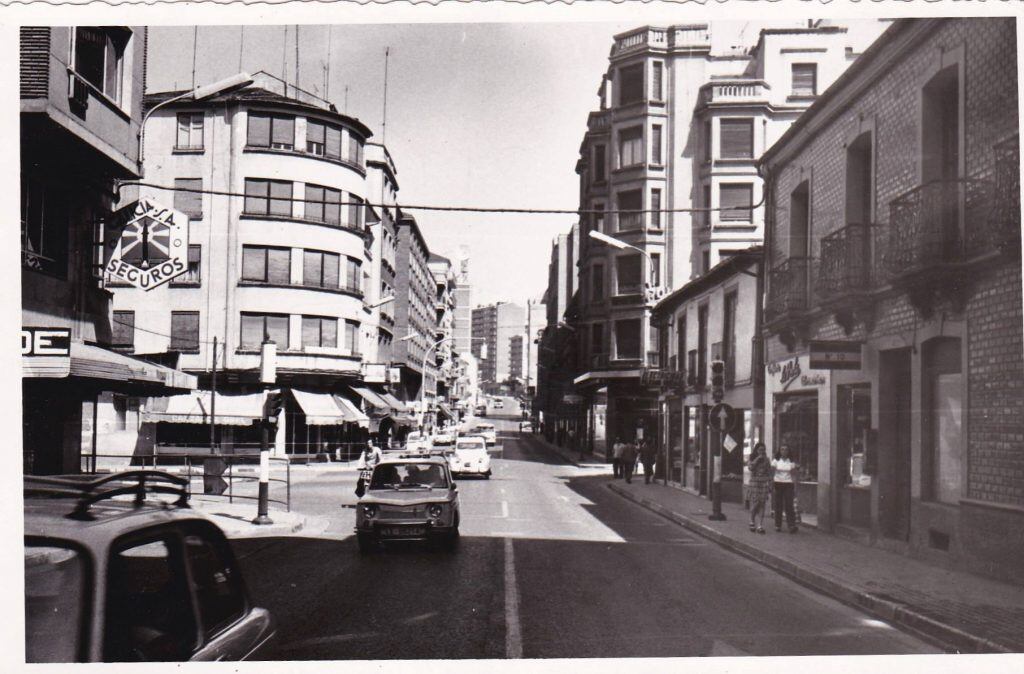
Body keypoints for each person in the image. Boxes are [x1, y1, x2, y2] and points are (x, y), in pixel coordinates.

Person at [771, 444, 799, 533]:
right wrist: (771, 485)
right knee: (778, 505)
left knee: (789, 505)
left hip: (788, 484)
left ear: (788, 451)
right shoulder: (775, 461)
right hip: (778, 483)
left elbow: (794, 475)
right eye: (782, 449)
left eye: (786, 450)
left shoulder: (791, 462)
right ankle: (777, 525)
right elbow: (772, 474)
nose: (784, 451)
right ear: (779, 451)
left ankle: (791, 525)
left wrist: (795, 487)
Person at [747, 442, 771, 534]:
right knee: (755, 503)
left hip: (763, 483)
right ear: (756, 450)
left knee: (762, 504)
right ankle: (751, 520)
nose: (762, 451)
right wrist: (757, 459)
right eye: (760, 450)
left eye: (763, 450)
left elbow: (769, 472)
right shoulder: (752, 458)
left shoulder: (767, 459)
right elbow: (750, 468)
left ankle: (760, 525)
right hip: (755, 483)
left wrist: (770, 483)